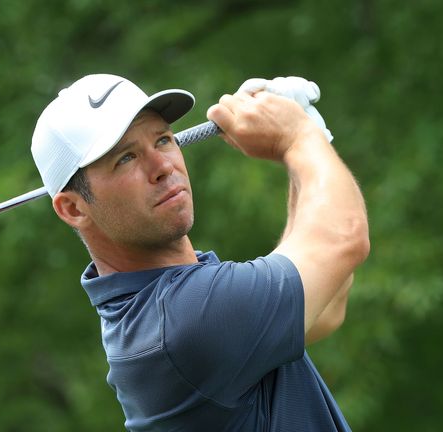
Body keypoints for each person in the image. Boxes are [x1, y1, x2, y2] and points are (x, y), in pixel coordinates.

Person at [30, 74, 370, 431]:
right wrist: (298, 137)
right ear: (73, 208)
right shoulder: (184, 320)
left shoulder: (161, 305)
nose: (163, 167)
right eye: (126, 158)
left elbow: (327, 306)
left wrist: (303, 149)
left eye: (162, 139)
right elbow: (344, 238)